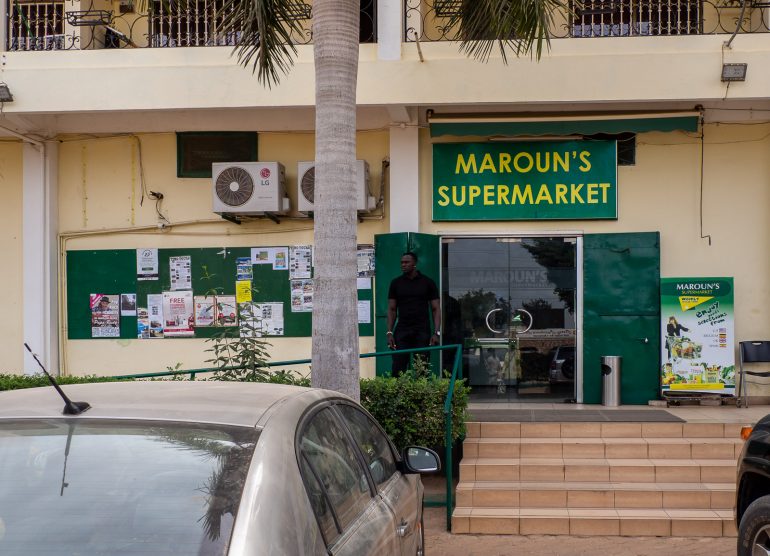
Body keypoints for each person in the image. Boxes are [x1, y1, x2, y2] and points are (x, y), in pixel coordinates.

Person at [386, 252, 441, 376]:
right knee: (398, 368)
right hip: (402, 330)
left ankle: (421, 395)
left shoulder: (428, 282)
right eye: (401, 262)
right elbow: (392, 309)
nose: (403, 265)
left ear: (414, 264)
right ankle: (398, 394)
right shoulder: (396, 283)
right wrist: (389, 332)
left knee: (422, 368)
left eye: (406, 262)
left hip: (422, 330)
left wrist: (436, 332)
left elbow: (436, 309)